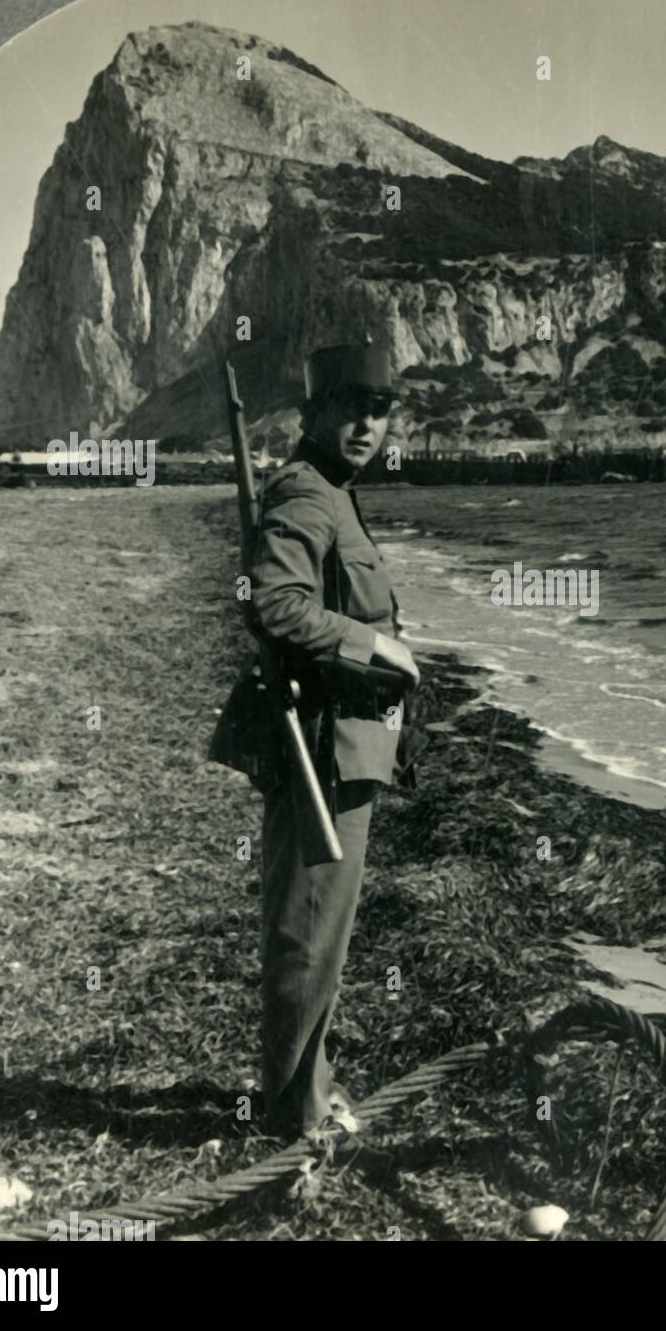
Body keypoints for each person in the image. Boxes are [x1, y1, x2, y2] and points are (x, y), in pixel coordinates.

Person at [209, 342, 421, 1140]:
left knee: (322, 937)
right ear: (316, 412)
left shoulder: (335, 488)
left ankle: (310, 1089)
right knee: (306, 931)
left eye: (380, 409)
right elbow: (275, 602)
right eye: (351, 406)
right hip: (323, 747)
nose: (367, 423)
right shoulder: (306, 489)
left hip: (351, 744)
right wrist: (380, 649)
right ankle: (294, 1121)